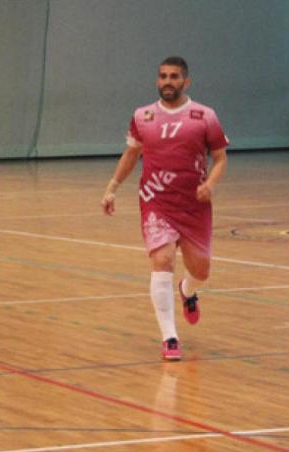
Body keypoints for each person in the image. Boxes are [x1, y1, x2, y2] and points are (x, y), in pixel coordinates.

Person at [101, 56, 228, 361]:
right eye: (162, 76)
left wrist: (210, 184)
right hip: (156, 201)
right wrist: (112, 187)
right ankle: (170, 337)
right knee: (163, 259)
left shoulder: (204, 116)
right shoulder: (142, 115)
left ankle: (187, 290)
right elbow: (132, 154)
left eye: (173, 77)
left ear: (186, 81)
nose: (167, 82)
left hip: (195, 205)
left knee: (202, 269)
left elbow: (220, 158)